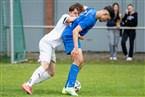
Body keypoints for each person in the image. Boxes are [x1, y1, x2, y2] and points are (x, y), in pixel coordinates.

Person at [21, 3, 84, 95]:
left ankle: (28, 83)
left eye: (78, 14)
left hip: (51, 47)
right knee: (45, 65)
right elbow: (70, 19)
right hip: (46, 43)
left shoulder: (72, 26)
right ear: (70, 12)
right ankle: (29, 84)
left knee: (51, 72)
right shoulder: (65, 17)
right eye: (75, 13)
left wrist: (80, 35)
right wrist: (83, 18)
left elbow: (79, 35)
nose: (76, 15)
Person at [62, 5, 114, 96]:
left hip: (74, 35)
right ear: (105, 13)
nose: (106, 21)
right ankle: (70, 87)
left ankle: (66, 87)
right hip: (70, 35)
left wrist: (77, 15)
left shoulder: (92, 10)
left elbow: (81, 6)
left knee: (81, 62)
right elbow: (75, 31)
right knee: (78, 60)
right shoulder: (90, 18)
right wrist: (75, 48)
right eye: (107, 19)